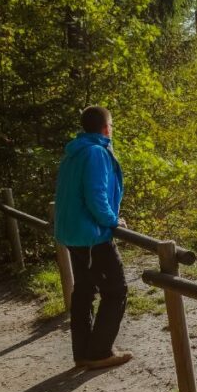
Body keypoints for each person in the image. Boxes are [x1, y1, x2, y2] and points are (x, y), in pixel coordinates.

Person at [54, 106, 132, 369]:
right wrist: (112, 220)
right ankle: (99, 352)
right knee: (116, 290)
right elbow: (95, 194)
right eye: (112, 125)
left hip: (73, 234)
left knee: (84, 291)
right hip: (91, 235)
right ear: (106, 128)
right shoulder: (96, 152)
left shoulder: (74, 152)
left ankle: (83, 353)